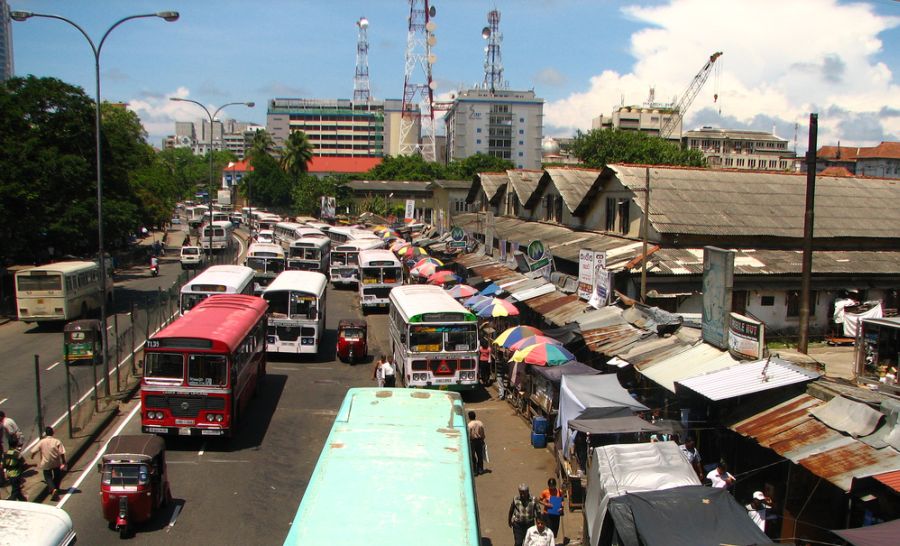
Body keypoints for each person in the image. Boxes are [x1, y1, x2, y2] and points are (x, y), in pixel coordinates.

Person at [31, 426, 66, 501]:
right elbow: (62, 452)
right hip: (56, 462)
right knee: (57, 475)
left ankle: (53, 489)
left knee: (48, 477)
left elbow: (34, 450)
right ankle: (56, 488)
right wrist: (63, 461)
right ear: (53, 433)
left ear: (46, 433)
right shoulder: (57, 441)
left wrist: (32, 456)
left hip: (46, 462)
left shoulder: (42, 441)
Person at [3, 435, 27, 501]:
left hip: (9, 475)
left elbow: (4, 465)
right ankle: (11, 501)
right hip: (16, 474)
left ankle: (23, 500)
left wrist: (5, 473)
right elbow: (23, 463)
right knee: (15, 491)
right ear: (16, 444)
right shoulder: (17, 454)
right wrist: (32, 465)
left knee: (17, 489)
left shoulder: (5, 453)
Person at [467, 411, 486, 475]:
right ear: (475, 416)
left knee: (472, 456)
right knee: (480, 455)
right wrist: (483, 439)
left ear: (469, 417)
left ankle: (474, 470)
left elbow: (468, 435)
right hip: (479, 440)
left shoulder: (469, 425)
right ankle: (480, 469)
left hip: (472, 442)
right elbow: (482, 432)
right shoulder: (480, 423)